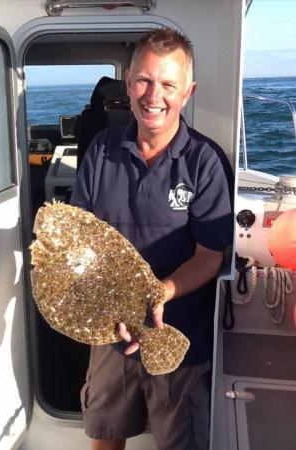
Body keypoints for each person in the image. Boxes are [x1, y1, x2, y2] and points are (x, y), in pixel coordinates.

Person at [71, 27, 233, 450]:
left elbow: (210, 255)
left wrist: (157, 294)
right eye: (143, 80)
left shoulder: (205, 162)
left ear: (188, 92)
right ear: (128, 83)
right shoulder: (101, 152)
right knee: (106, 436)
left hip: (179, 332)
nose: (152, 95)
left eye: (167, 84)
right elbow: (81, 243)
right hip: (112, 331)